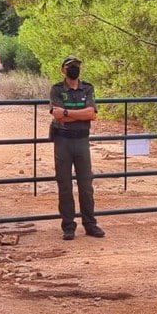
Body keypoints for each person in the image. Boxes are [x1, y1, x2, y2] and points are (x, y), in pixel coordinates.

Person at [48, 55, 105, 241]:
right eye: (70, 66)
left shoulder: (87, 88)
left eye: (77, 65)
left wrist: (66, 113)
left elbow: (91, 114)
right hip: (62, 141)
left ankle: (90, 224)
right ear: (63, 69)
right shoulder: (57, 89)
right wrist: (77, 115)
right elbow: (58, 116)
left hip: (82, 141)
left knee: (86, 186)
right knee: (64, 186)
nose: (74, 68)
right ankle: (68, 226)